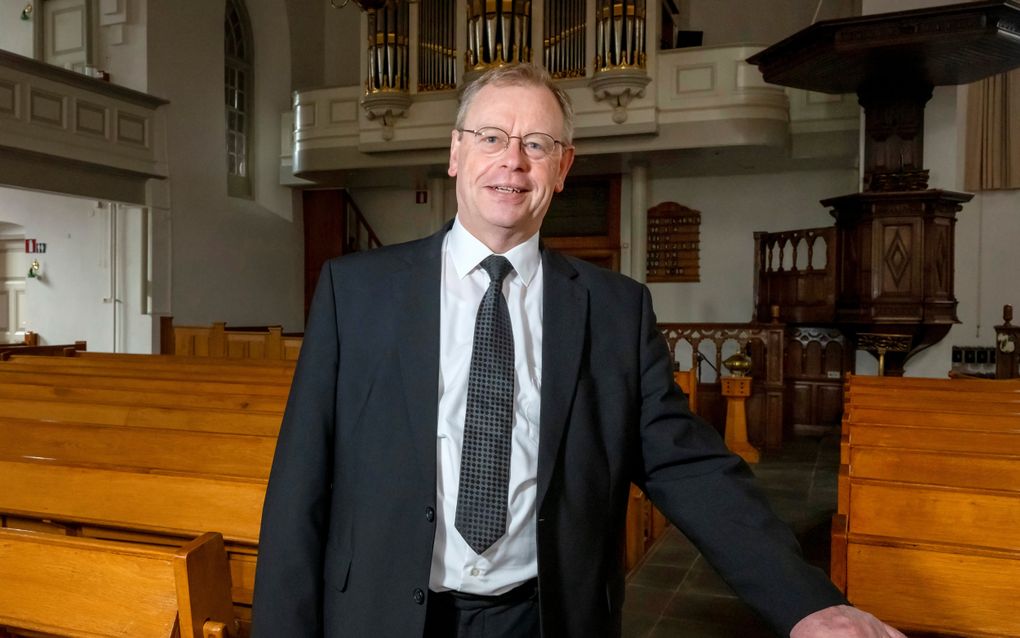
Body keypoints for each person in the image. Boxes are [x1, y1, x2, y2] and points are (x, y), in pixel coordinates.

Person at [252, 63, 906, 638]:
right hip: (382, 616)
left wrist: (807, 606)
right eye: (491, 138)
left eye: (537, 144)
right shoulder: (357, 290)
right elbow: (300, 485)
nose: (513, 161)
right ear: (455, 153)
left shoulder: (614, 309)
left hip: (544, 618)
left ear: (563, 168)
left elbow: (689, 467)